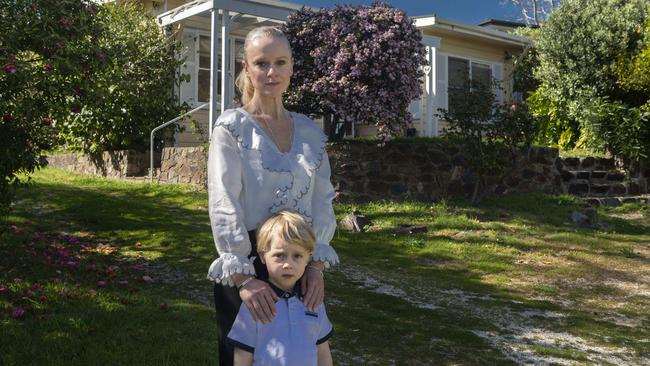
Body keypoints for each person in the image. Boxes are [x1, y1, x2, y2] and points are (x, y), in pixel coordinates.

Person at [206, 26, 339, 366]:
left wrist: (316, 266)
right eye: (261, 62)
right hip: (249, 257)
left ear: (292, 66)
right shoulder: (231, 126)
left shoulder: (311, 132)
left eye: (280, 62)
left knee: (299, 351)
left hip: (298, 259)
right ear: (246, 67)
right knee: (246, 356)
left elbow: (322, 198)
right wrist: (244, 278)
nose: (271, 72)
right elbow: (224, 201)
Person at [227, 210, 334, 366]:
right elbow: (242, 357)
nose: (288, 264)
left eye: (297, 256)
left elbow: (323, 353)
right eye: (279, 255)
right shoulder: (256, 304)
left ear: (309, 257)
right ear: (263, 256)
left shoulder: (313, 301)